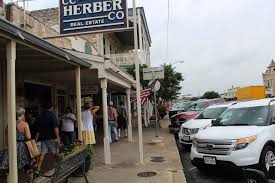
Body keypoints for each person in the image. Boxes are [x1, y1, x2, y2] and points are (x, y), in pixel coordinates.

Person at [0, 107, 32, 182]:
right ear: (22, 114)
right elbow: (28, 137)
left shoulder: (10, 123)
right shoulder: (24, 124)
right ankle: (29, 181)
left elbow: (6, 135)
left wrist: (8, 145)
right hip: (22, 147)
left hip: (12, 146)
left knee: (10, 169)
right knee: (27, 166)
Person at [35, 102, 60, 171]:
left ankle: (38, 168)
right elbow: (55, 127)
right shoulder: (52, 115)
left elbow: (36, 126)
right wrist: (58, 137)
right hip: (52, 137)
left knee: (43, 153)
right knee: (55, 153)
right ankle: (57, 167)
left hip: (43, 137)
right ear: (51, 107)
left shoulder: (40, 115)